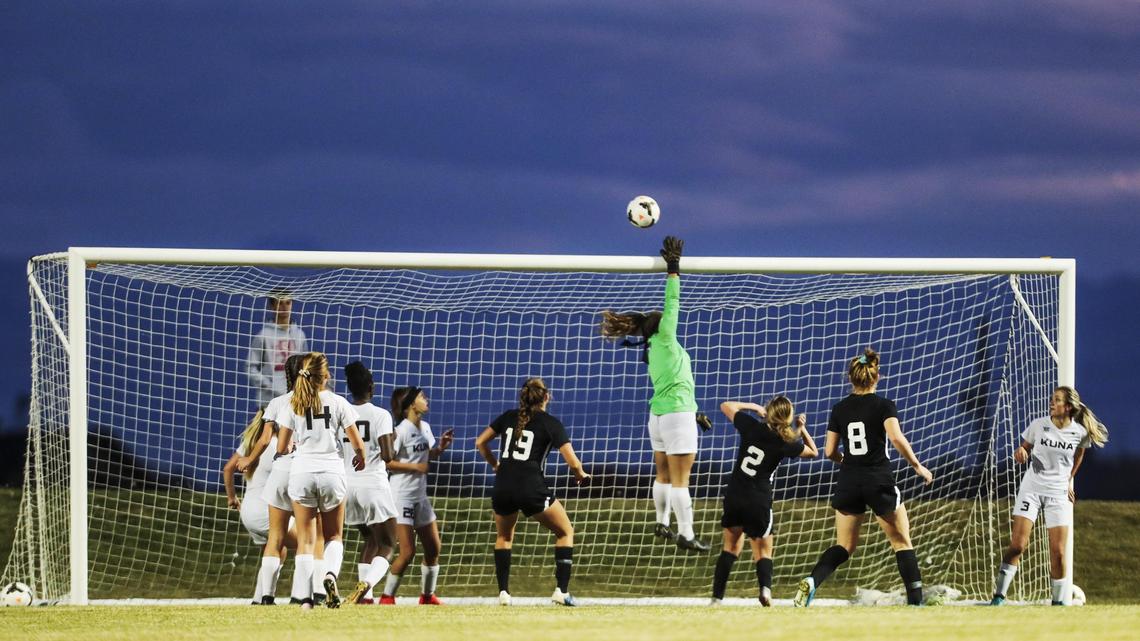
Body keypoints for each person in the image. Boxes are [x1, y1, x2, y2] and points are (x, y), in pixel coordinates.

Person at [793, 348, 933, 607]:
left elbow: (829, 451)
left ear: (851, 378)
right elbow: (896, 437)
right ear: (876, 376)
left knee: (844, 545)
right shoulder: (884, 405)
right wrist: (917, 466)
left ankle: (812, 581)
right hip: (878, 480)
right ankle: (916, 603)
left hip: (848, 482)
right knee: (902, 543)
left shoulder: (839, 409)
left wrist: (848, 462)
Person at [600, 236, 711, 552]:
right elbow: (672, 303)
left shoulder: (652, 349)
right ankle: (686, 534)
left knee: (663, 474)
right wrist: (673, 269)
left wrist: (693, 413)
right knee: (680, 480)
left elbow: (676, 383)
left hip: (660, 416)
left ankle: (662, 521)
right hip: (676, 414)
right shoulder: (664, 339)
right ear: (660, 327)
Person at [474, 378, 591, 607]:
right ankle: (561, 591)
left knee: (504, 537)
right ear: (546, 397)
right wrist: (581, 475)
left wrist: (495, 464)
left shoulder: (508, 417)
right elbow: (573, 462)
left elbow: (480, 442)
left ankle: (504, 594)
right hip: (531, 487)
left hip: (503, 486)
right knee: (565, 531)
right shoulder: (551, 423)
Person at [990, 386, 1108, 606]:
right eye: (1052, 399)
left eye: (1057, 400)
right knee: (1017, 545)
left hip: (1058, 495)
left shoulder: (1079, 433)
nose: (1051, 403)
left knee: (1059, 553)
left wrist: (1068, 481)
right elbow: (1023, 449)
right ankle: (998, 597)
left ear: (1069, 407)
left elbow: (1078, 456)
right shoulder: (1039, 425)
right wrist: (1021, 453)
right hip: (1031, 490)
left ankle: (1057, 604)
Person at [272, 352, 365, 609]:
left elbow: (281, 446)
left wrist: (292, 445)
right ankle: (329, 576)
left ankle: (305, 600)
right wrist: (362, 457)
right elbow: (356, 442)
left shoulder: (293, 402)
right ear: (323, 376)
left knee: (306, 539)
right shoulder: (337, 402)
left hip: (302, 472)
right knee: (334, 536)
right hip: (331, 473)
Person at [712, 396, 817, 606]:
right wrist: (801, 428)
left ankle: (716, 599)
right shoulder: (785, 442)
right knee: (763, 550)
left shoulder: (751, 426)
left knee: (730, 548)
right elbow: (813, 452)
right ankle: (765, 591)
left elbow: (726, 406)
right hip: (758, 499)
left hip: (735, 494)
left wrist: (754, 407)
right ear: (787, 417)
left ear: (768, 411)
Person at [379, 386, 454, 605]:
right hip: (401, 496)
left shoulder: (426, 427)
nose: (426, 399)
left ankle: (427, 597)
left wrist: (440, 447)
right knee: (407, 551)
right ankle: (386, 597)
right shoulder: (400, 431)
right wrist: (416, 468)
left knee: (433, 548)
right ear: (412, 404)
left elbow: (427, 455)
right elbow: (389, 462)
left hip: (420, 496)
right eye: (422, 397)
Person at [339, 361, 399, 606]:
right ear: (371, 387)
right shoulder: (380, 415)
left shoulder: (343, 412)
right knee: (388, 544)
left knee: (371, 540)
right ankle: (367, 585)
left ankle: (365, 599)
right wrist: (391, 440)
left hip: (347, 486)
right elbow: (388, 456)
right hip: (372, 484)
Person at [222, 407, 278, 604]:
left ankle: (258, 599)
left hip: (248, 510)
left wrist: (232, 498)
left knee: (275, 550)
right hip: (266, 511)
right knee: (311, 542)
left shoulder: (249, 443)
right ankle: (305, 597)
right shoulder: (278, 445)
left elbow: (228, 469)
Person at [247, 290, 307, 408]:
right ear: (272, 306)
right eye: (280, 303)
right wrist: (268, 385)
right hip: (268, 402)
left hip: (293, 401)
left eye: (288, 303)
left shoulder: (300, 335)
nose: (284, 307)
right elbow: (250, 367)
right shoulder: (263, 335)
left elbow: (305, 366)